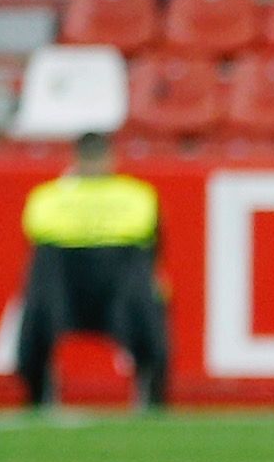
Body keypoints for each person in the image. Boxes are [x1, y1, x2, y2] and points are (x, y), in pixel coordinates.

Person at [16, 132, 169, 409]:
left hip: (116, 283)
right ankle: (38, 398)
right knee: (36, 306)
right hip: (70, 283)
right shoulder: (132, 196)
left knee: (153, 308)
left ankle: (151, 400)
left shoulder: (52, 197)